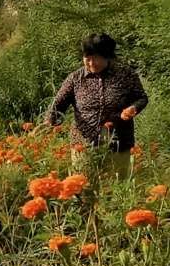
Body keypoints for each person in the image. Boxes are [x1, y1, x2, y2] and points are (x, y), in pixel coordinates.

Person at [46, 33, 148, 177]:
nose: (91, 63)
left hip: (119, 144)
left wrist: (134, 108)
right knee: (86, 188)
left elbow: (141, 98)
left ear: (108, 57)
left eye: (97, 58)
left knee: (118, 188)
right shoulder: (75, 78)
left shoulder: (125, 74)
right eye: (87, 58)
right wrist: (48, 124)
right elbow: (58, 105)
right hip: (84, 146)